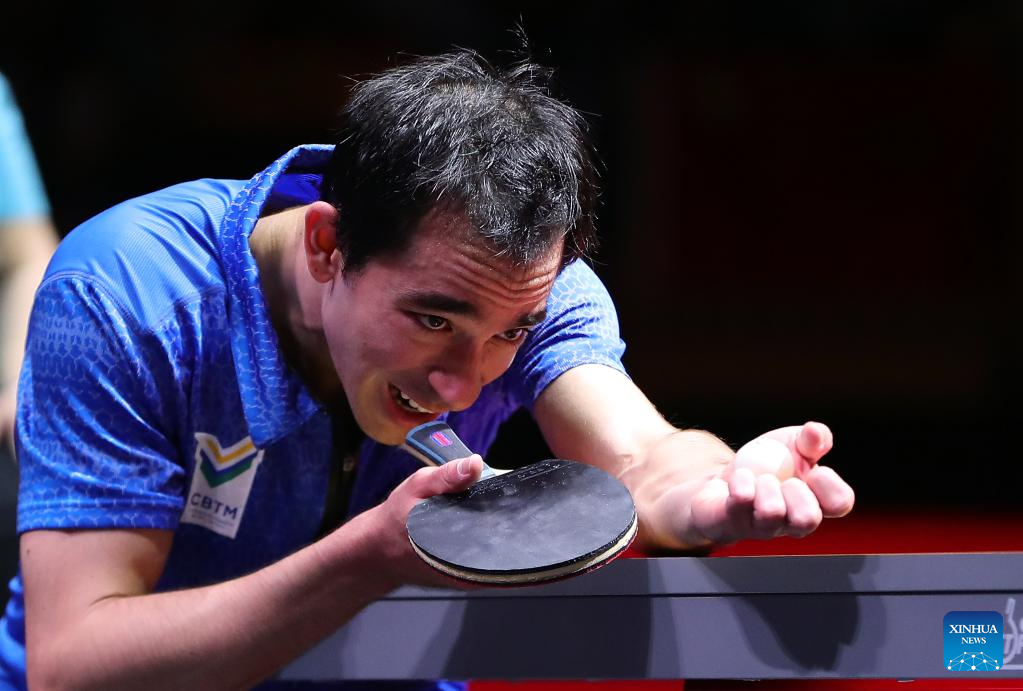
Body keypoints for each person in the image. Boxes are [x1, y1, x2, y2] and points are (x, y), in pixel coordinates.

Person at [0, 51, 854, 690]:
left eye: (509, 333)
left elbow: (640, 452)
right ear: (327, 245)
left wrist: (713, 489)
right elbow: (77, 664)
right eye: (433, 320)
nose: (463, 383)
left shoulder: (529, 286)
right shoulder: (125, 296)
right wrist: (368, 557)